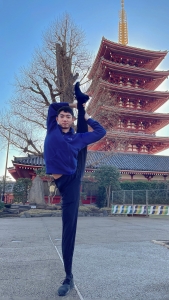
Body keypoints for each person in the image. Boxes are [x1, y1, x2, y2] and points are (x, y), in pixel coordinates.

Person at [44, 82, 106, 297]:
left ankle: (68, 276)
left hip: (72, 179)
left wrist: (83, 112)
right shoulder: (51, 127)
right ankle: (80, 100)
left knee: (68, 227)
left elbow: (100, 131)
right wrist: (75, 102)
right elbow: (53, 107)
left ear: (71, 120)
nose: (64, 118)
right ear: (57, 119)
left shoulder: (77, 137)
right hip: (60, 178)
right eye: (62, 116)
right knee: (67, 225)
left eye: (68, 116)